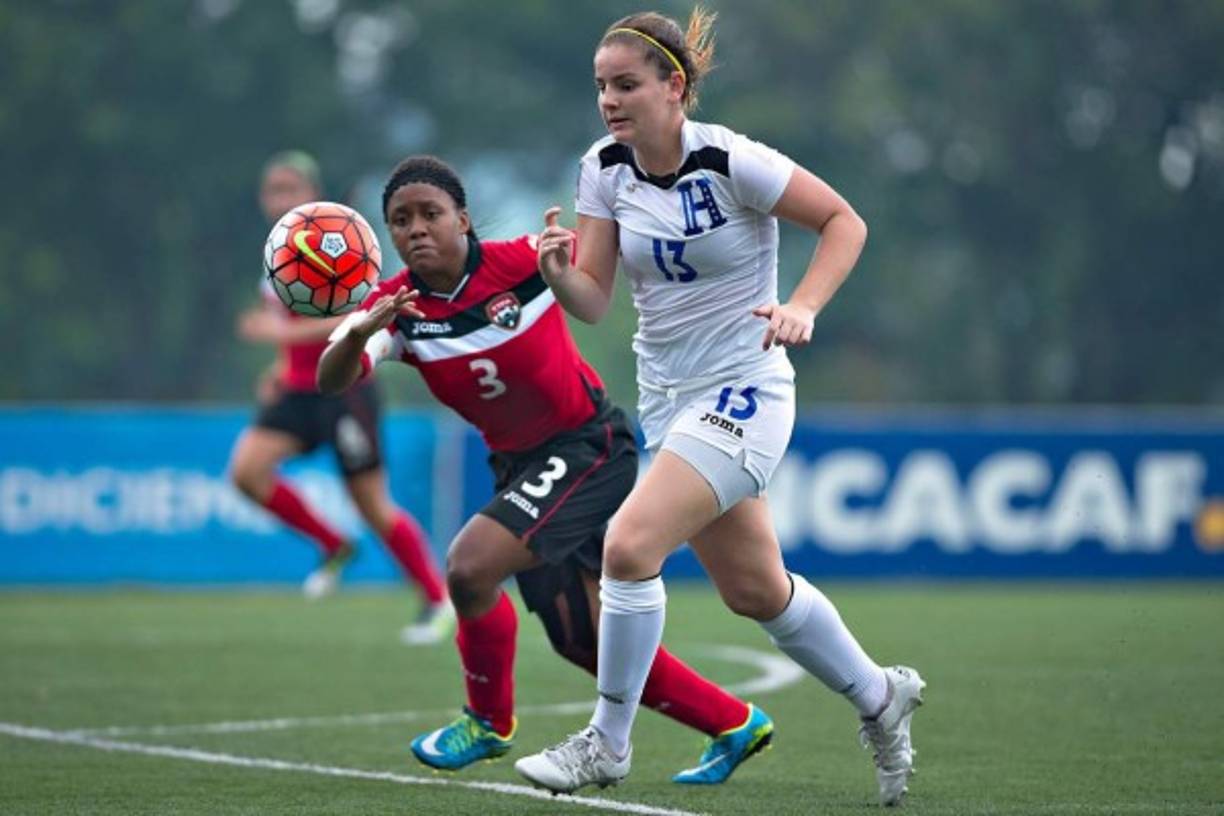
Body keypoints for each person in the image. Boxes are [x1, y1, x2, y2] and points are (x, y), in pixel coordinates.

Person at [513, 9, 926, 807]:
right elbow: (594, 301)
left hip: (747, 390)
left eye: (626, 84)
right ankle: (881, 696)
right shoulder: (602, 167)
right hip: (667, 400)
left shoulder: (735, 160)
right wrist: (558, 274)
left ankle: (608, 741)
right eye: (601, 85)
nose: (609, 100)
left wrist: (802, 306)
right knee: (756, 590)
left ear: (675, 87)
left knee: (628, 545)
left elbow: (845, 222)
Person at [317, 154, 775, 785]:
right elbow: (332, 377)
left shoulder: (519, 261)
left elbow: (598, 264)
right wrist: (352, 336)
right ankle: (734, 722)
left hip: (589, 446)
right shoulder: (395, 309)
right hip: (522, 469)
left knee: (470, 566)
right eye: (400, 220)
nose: (416, 229)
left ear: (464, 219)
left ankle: (487, 723)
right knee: (580, 639)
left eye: (430, 214)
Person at [228, 150, 452, 645]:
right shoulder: (279, 250)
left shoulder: (338, 242)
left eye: (290, 189)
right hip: (297, 390)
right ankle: (333, 544)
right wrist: (279, 365)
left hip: (346, 389)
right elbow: (292, 323)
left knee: (373, 505)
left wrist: (277, 336)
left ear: (312, 193)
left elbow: (363, 317)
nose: (279, 200)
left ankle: (439, 600)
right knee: (246, 472)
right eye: (273, 190)